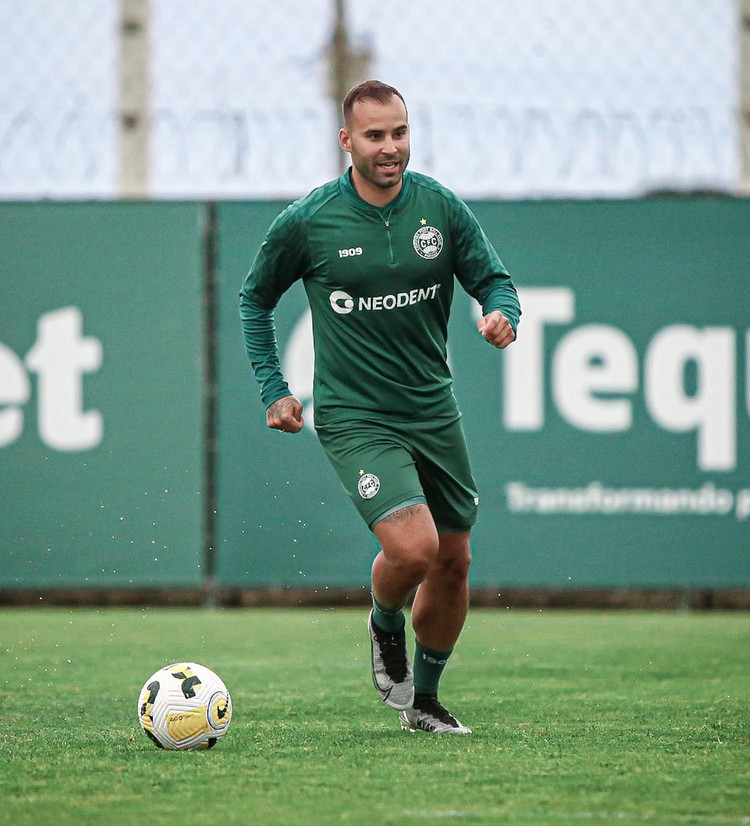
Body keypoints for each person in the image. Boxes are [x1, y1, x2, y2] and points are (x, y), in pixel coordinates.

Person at [239, 80, 520, 734]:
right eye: (375, 135)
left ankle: (425, 703)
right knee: (415, 548)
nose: (390, 147)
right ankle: (384, 621)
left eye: (399, 132)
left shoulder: (439, 209)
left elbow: (493, 281)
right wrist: (274, 388)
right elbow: (255, 299)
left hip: (432, 410)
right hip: (357, 418)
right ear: (347, 141)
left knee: (454, 562)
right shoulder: (310, 222)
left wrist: (502, 313)